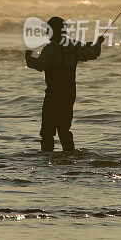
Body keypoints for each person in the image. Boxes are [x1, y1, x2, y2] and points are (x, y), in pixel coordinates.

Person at [25, 16, 104, 152]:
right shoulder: (75, 45)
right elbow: (92, 54)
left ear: (54, 31)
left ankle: (47, 157)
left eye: (48, 30)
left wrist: (28, 58)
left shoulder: (51, 48)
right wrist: (98, 43)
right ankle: (69, 156)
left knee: (47, 132)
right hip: (69, 93)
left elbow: (39, 65)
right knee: (64, 129)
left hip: (54, 94)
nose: (46, 33)